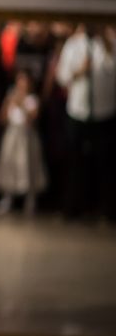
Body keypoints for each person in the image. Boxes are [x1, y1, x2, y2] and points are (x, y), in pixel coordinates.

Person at [55, 23, 116, 221]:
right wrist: (79, 71)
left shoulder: (110, 43)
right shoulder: (73, 45)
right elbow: (62, 77)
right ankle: (73, 208)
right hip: (78, 111)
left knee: (105, 164)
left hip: (104, 112)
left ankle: (105, 210)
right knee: (74, 161)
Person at [0, 70, 47, 215]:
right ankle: (7, 197)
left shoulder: (32, 99)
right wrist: (8, 103)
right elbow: (2, 118)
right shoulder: (10, 96)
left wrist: (21, 103)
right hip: (12, 136)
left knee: (27, 166)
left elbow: (33, 119)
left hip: (27, 138)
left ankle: (30, 199)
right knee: (9, 165)